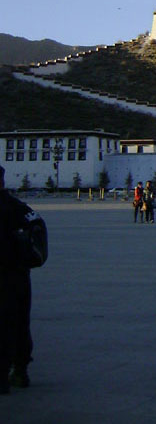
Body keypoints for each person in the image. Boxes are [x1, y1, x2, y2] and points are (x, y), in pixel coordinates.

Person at [0, 165, 36, 393]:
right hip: (18, 275)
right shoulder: (17, 207)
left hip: (5, 277)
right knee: (20, 323)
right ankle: (20, 369)